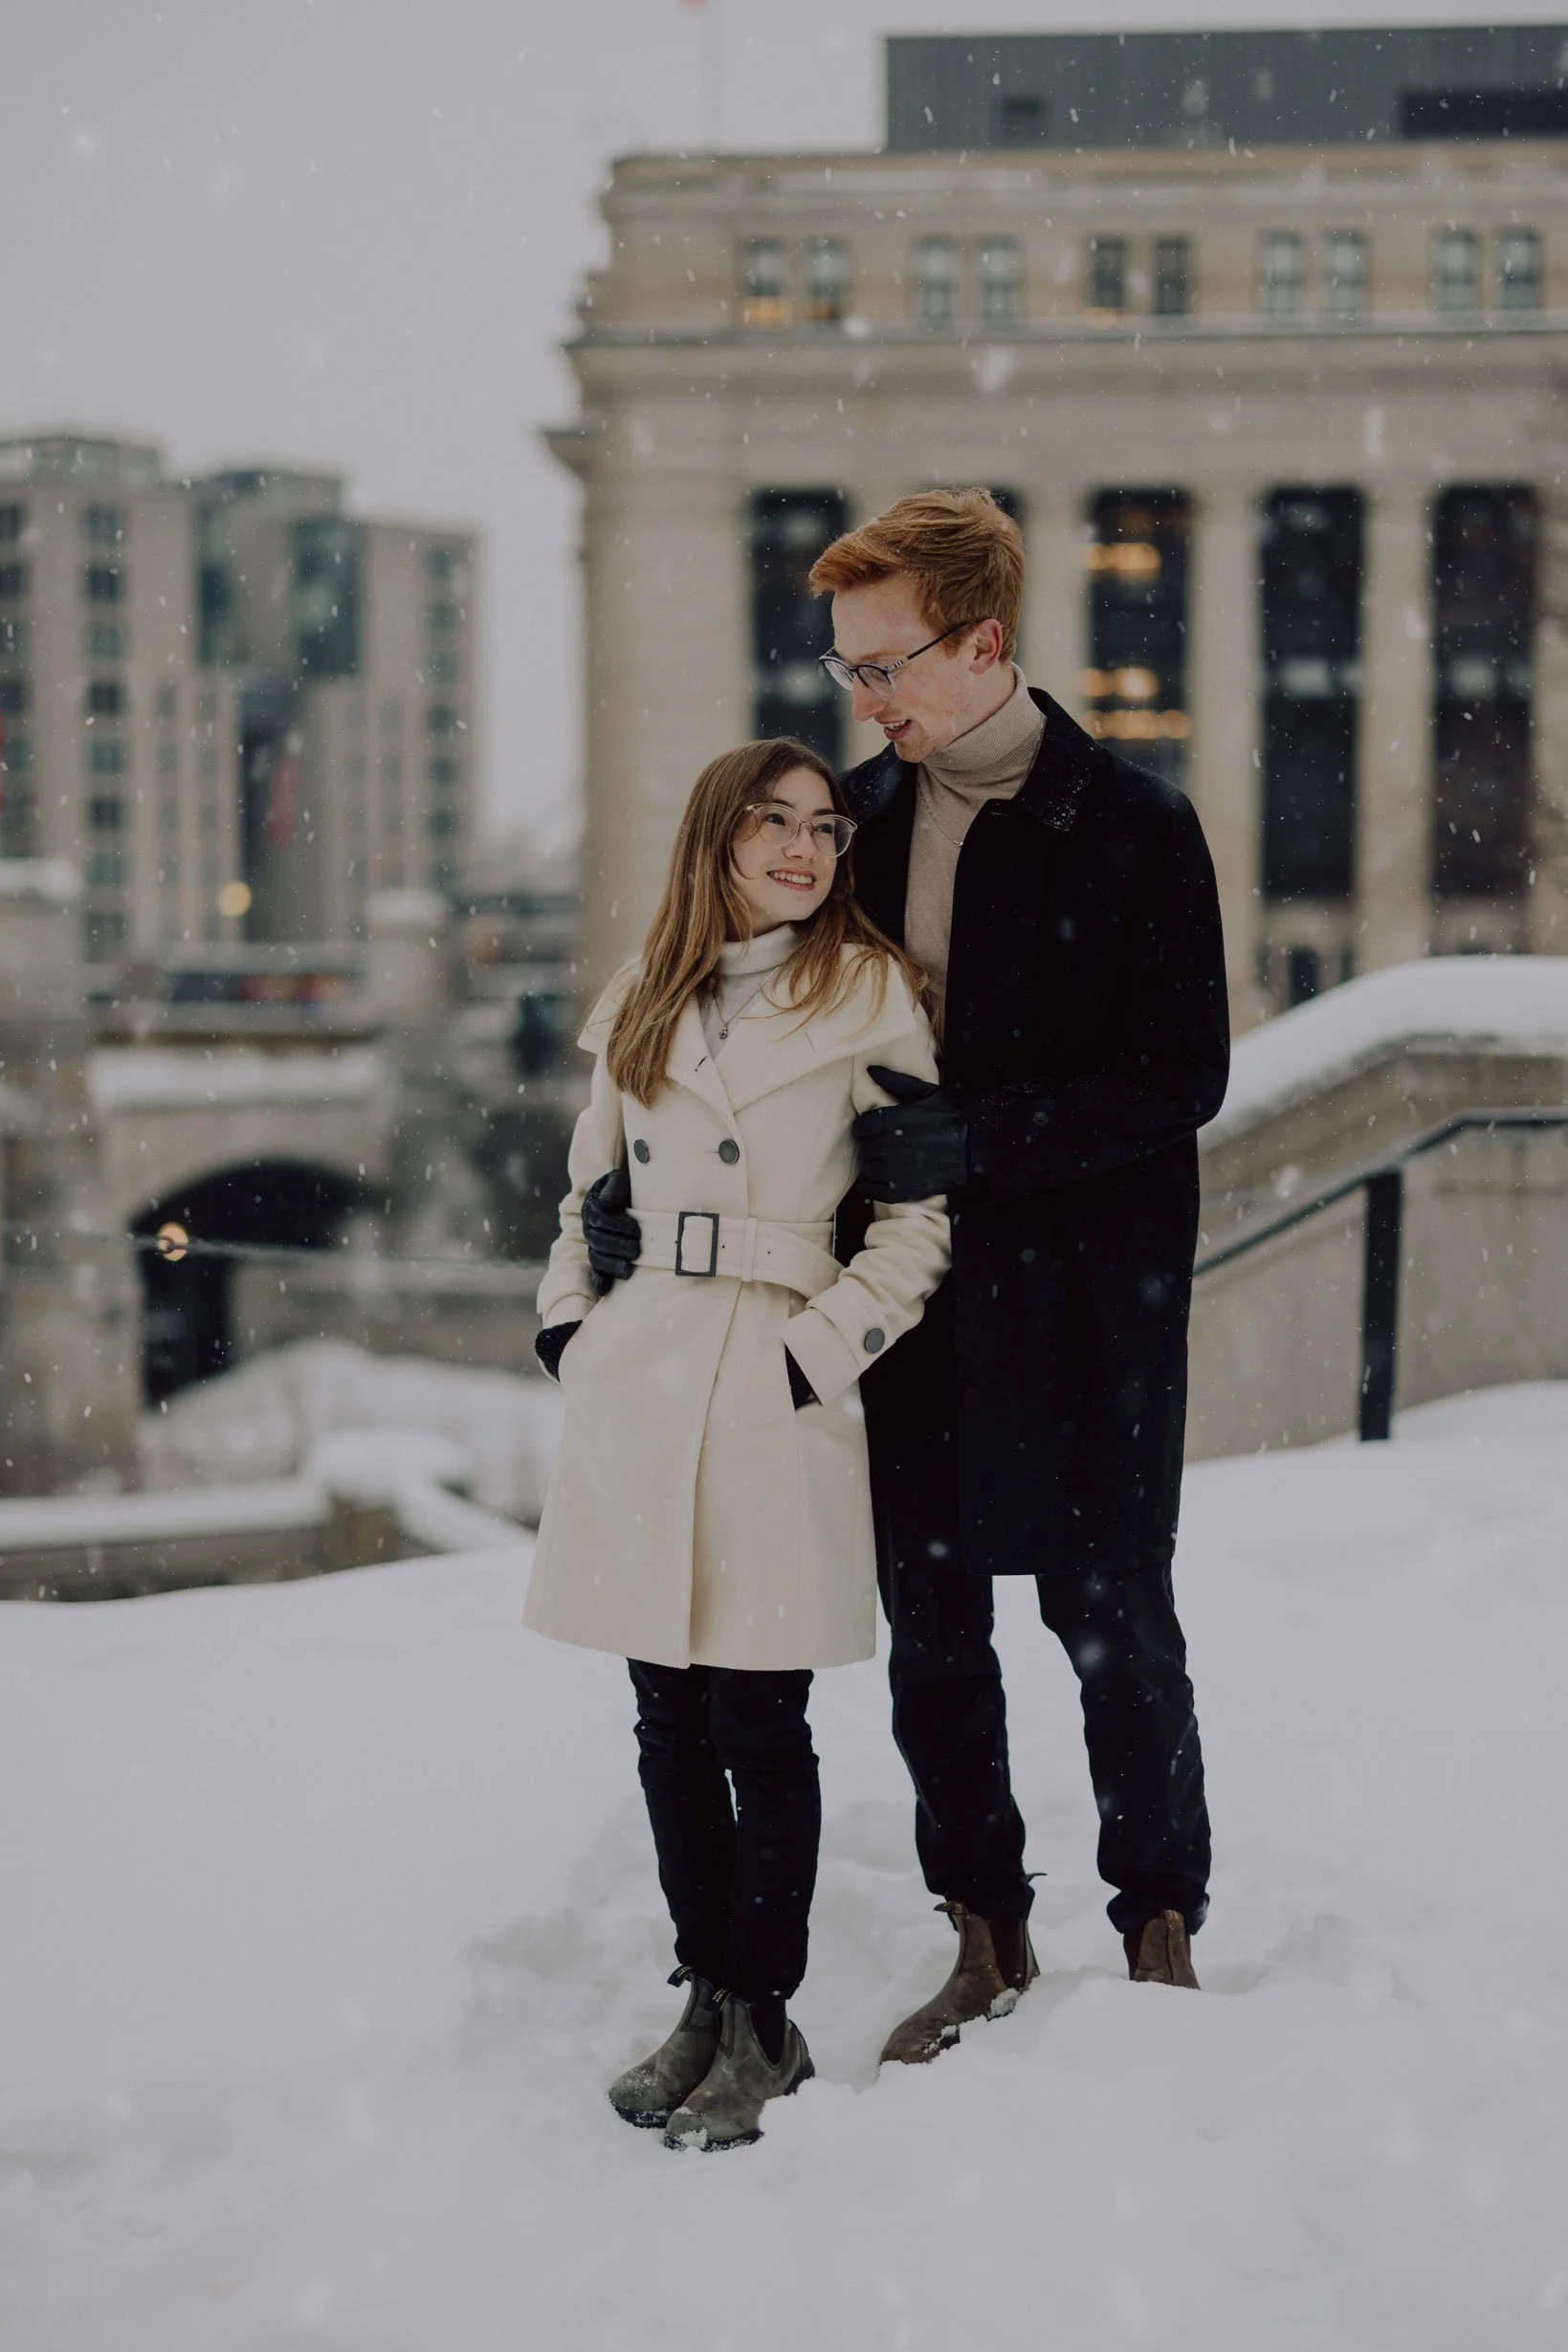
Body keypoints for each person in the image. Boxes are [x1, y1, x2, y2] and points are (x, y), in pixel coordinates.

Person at [585, 488, 1229, 2065]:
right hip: (902, 1304)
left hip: (1088, 1301)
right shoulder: (849, 826)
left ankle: (1155, 1928)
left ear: (983, 643)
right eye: (849, 670)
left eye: (887, 667)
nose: (864, 702)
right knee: (935, 1633)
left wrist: (986, 1140)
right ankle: (982, 1930)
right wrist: (627, 1191)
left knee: (1114, 1624)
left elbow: (1182, 1071)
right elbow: (737, 1009)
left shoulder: (1136, 824)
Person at [526, 735, 949, 2148]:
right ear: (714, 836)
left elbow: (914, 1220)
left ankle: (766, 2016)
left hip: (773, 1377)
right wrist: (571, 1335)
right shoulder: (646, 993)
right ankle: (704, 1991)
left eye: (824, 827)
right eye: (772, 822)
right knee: (665, 1714)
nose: (803, 848)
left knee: (760, 1720)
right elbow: (586, 1184)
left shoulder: (867, 991)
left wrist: (811, 1352)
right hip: (642, 1377)